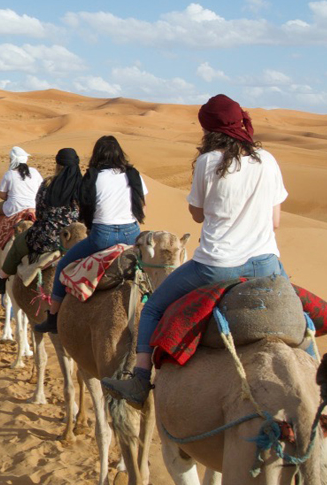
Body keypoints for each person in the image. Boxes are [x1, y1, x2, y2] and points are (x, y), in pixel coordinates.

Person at [102, 94, 289, 408]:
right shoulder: (268, 160)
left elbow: (197, 215)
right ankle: (320, 374)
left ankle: (139, 380)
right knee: (300, 313)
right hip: (265, 264)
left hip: (216, 265)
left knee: (152, 310)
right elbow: (276, 221)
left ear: (209, 129)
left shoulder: (208, 162)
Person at [34, 136, 148, 334]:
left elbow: (86, 209)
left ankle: (52, 317)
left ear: (97, 155)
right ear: (119, 154)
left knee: (62, 265)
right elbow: (141, 200)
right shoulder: (133, 174)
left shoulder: (93, 176)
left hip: (102, 236)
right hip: (132, 233)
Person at [0, 148, 82, 293]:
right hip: (76, 237)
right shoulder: (84, 186)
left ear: (57, 165)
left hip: (49, 237)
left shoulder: (48, 185)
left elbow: (39, 210)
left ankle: (0, 280)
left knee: (17, 246)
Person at [0, 146, 43, 246]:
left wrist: (10, 197)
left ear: (12, 160)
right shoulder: (35, 172)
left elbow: (2, 195)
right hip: (33, 206)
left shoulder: (9, 174)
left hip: (14, 207)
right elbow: (41, 188)